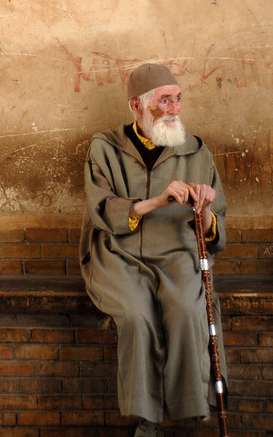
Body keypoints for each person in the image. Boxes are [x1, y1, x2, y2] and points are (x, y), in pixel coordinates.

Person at [79, 62, 227, 437]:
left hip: (177, 254)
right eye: (165, 100)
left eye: (178, 99)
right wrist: (157, 201)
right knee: (137, 317)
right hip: (118, 255)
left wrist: (205, 210)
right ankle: (149, 420)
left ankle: (191, 408)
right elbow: (102, 209)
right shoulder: (105, 148)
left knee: (186, 312)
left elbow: (216, 231)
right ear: (137, 106)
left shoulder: (196, 151)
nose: (175, 108)